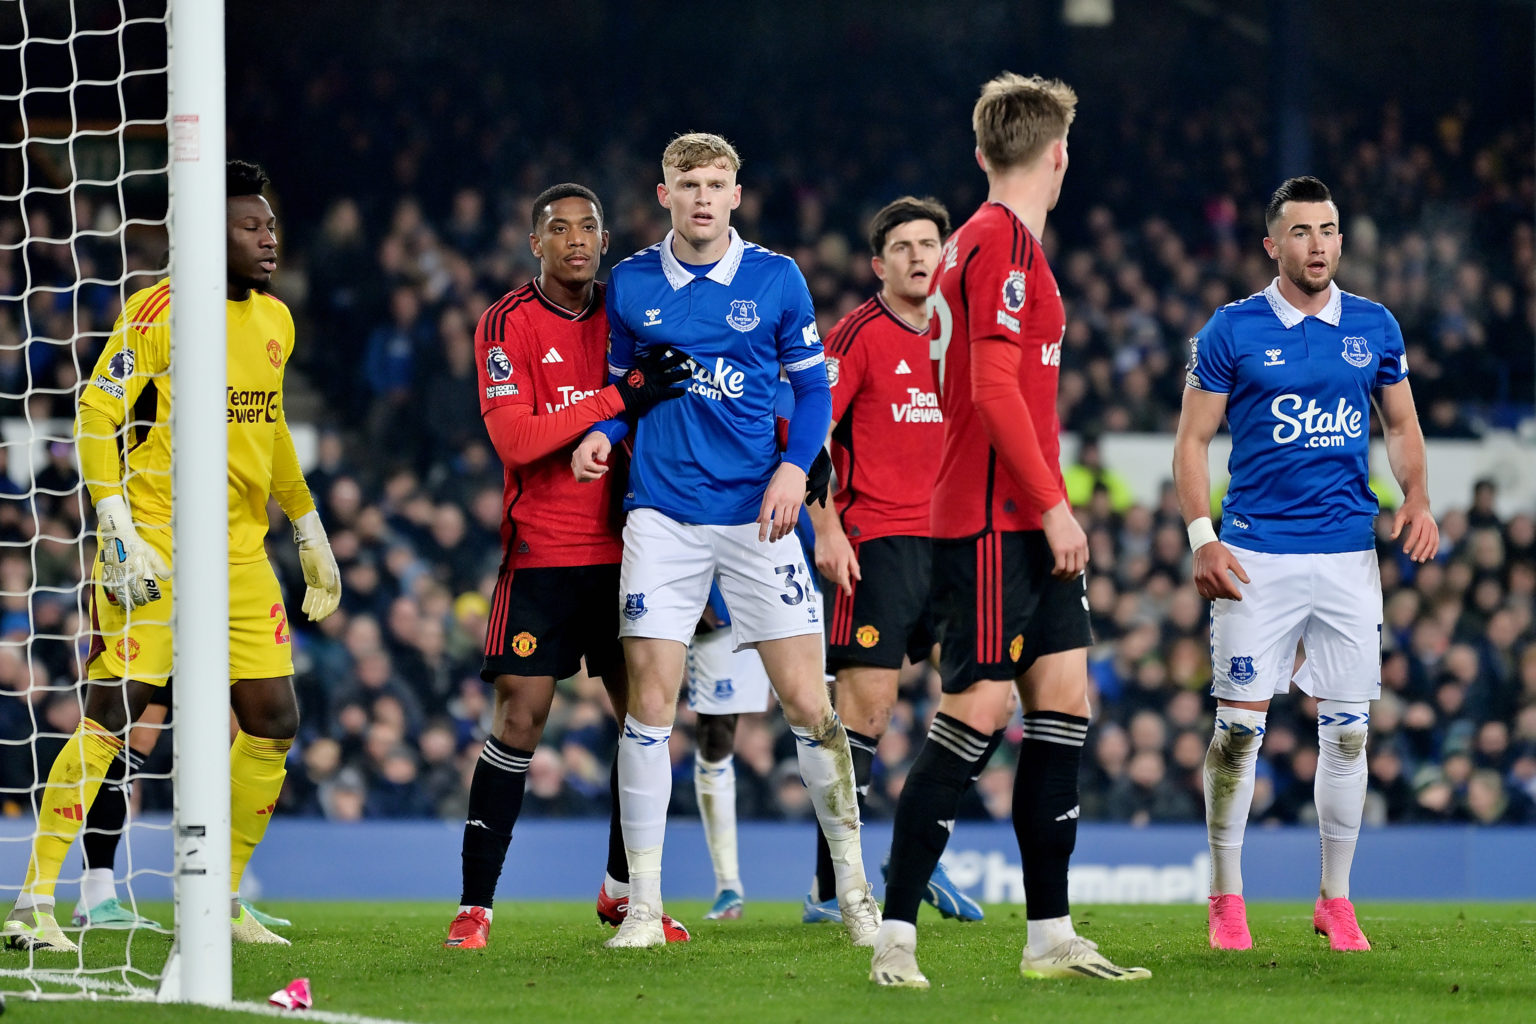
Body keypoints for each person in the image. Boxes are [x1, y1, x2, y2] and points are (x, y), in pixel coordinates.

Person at [4, 160, 343, 952]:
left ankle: (218, 900)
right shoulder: (157, 311)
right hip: (151, 547)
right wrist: (114, 523)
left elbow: (271, 425)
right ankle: (33, 903)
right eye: (250, 225)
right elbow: (94, 414)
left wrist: (306, 521)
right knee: (114, 717)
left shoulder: (276, 321)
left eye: (270, 224)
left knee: (274, 718)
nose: (270, 237)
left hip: (240, 555)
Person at [869, 74, 1150, 988]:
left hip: (1015, 519)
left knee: (1063, 703)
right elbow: (992, 394)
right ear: (1058, 152)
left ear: (985, 151)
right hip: (994, 522)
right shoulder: (1000, 246)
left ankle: (1050, 935)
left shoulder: (984, 243)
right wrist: (1057, 504)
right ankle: (894, 937)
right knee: (978, 712)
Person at [572, 132, 880, 950]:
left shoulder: (776, 277)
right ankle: (642, 907)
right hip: (662, 519)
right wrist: (601, 432)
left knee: (811, 706)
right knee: (649, 709)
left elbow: (814, 389)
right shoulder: (632, 282)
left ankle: (854, 892)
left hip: (758, 518)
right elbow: (619, 390)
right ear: (664, 193)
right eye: (688, 183)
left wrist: (794, 469)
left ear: (737, 194)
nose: (703, 197)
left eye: (717, 183)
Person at [1173, 175, 1438, 953]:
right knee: (1239, 736)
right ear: (1273, 244)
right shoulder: (1232, 329)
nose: (1318, 244)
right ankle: (1226, 896)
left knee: (1349, 734)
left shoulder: (1374, 325)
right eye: (1302, 232)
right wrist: (1201, 537)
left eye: (1328, 230)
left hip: (1350, 556)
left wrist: (1416, 498)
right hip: (1256, 556)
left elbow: (1401, 424)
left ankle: (1335, 899)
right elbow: (1192, 441)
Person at [442, 184, 690, 950]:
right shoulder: (505, 323)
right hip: (543, 551)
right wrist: (619, 397)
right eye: (559, 228)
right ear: (535, 243)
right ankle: (475, 906)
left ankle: (626, 894)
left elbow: (680, 391)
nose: (576, 239)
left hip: (631, 547)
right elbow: (517, 439)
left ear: (606, 240)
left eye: (588, 227)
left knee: (644, 723)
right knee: (520, 718)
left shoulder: (630, 312)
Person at [805, 196, 989, 926]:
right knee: (866, 716)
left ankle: (914, 860)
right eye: (904, 247)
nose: (920, 257)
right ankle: (830, 889)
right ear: (879, 265)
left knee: (982, 706)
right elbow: (810, 439)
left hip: (959, 546)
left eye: (930, 244)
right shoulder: (855, 336)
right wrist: (827, 531)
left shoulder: (968, 335)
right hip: (877, 542)